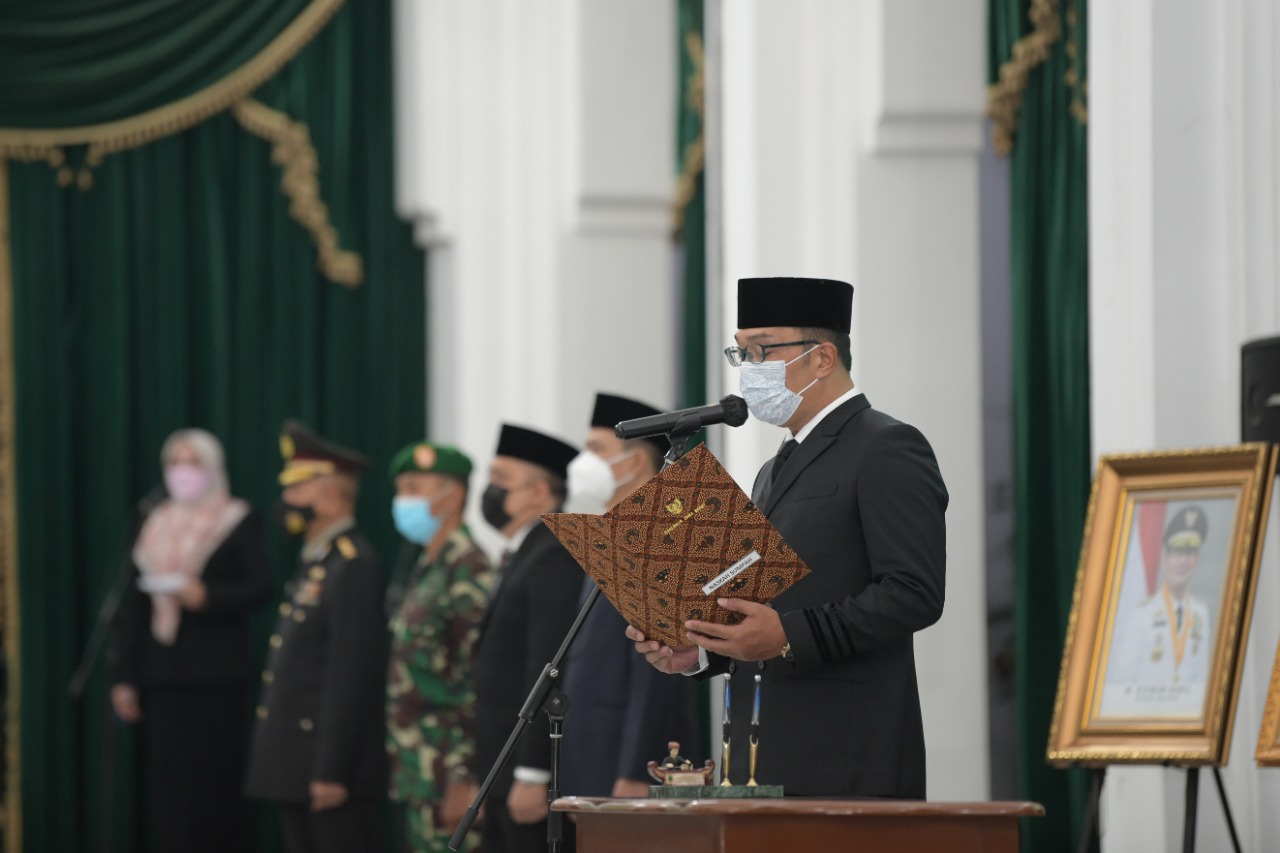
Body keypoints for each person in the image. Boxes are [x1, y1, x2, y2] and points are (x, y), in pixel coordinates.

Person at [627, 276, 948, 798]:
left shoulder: (887, 447)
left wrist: (788, 635)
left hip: (848, 754)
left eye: (762, 350)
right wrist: (703, 651)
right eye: (742, 352)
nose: (750, 369)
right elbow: (767, 603)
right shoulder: (772, 470)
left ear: (822, 358)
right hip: (761, 754)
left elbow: (914, 593)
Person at [109, 428, 272, 853]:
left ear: (213, 468)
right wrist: (126, 677)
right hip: (164, 676)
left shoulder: (237, 518)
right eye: (175, 462)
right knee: (172, 785)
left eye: (193, 462)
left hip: (217, 675)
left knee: (215, 783)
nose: (183, 472)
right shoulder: (155, 522)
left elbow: (260, 587)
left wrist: (207, 597)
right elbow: (138, 608)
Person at [244, 420, 389, 853]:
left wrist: (331, 769)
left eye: (296, 490)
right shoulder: (319, 561)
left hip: (326, 769)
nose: (286, 501)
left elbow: (349, 674)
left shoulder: (353, 564)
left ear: (329, 495)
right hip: (297, 763)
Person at [560, 393, 700, 798]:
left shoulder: (660, 538)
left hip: (628, 763)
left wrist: (641, 767)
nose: (582, 462)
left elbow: (659, 672)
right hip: (590, 754)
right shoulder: (610, 535)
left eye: (596, 449)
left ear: (636, 461)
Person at [468, 424, 583, 853]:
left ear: (539, 492)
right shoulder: (523, 550)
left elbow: (548, 664)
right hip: (501, 767)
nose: (490, 492)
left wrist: (534, 774)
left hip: (525, 772)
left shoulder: (553, 551)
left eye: (502, 481)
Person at [385, 441, 492, 852]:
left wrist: (467, 775)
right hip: (420, 767)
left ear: (454, 494)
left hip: (451, 771)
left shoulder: (469, 567)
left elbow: (480, 680)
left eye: (415, 488)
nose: (403, 500)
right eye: (401, 489)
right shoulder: (427, 565)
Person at [1104, 505, 1213, 716]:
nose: (1183, 561)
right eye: (1177, 553)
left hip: (1188, 719)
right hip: (1147, 718)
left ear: (1197, 560)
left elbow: (1201, 675)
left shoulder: (1201, 613)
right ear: (1165, 559)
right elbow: (1123, 677)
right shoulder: (1142, 613)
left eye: (1189, 554)